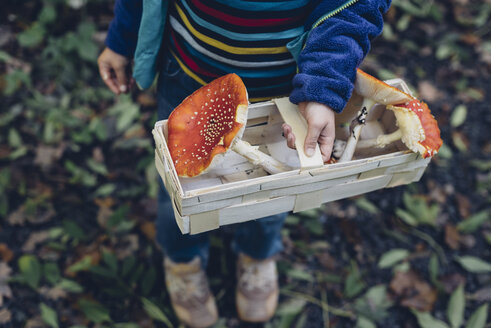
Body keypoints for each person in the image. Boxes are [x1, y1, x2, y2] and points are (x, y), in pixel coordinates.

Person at [98, 0, 391, 326]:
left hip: (283, 89)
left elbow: (353, 7)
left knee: (273, 184)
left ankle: (257, 252)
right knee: (180, 185)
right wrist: (122, 38)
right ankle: (183, 258)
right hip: (188, 76)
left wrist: (322, 86)